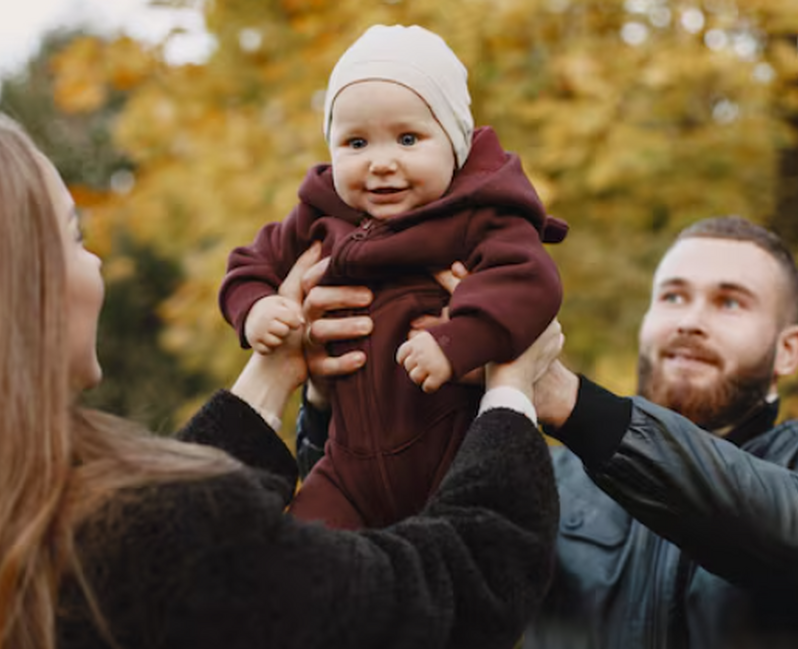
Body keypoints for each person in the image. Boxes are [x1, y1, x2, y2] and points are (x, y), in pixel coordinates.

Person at [0, 115, 565, 649]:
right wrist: (509, 392)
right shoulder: (144, 553)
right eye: (74, 239)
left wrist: (275, 369)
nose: (98, 265)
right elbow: (441, 602)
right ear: (19, 294)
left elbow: (155, 543)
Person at [298, 216, 798, 649]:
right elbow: (387, 562)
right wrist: (336, 400)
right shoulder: (550, 481)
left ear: (789, 350)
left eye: (730, 302)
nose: (690, 319)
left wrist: (563, 399)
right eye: (672, 296)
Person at [219, 24, 566, 532]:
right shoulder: (321, 216)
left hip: (450, 457)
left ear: (454, 143)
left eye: (408, 139)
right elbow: (251, 263)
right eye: (356, 143)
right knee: (297, 558)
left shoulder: (478, 216)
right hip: (346, 470)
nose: (381, 163)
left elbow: (530, 282)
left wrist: (456, 340)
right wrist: (255, 309)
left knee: (460, 571)